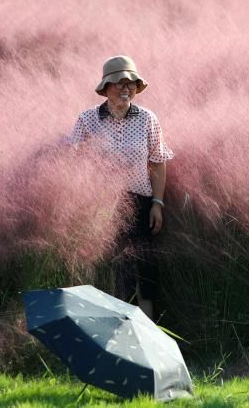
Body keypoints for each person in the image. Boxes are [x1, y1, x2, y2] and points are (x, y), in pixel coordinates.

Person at [71, 55, 174, 320]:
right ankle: (118, 336)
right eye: (119, 82)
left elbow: (158, 162)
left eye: (131, 82)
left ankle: (150, 335)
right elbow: (77, 165)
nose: (126, 87)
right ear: (106, 87)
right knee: (117, 271)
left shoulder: (148, 119)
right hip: (104, 206)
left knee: (146, 270)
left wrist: (157, 203)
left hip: (141, 203)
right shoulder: (87, 120)